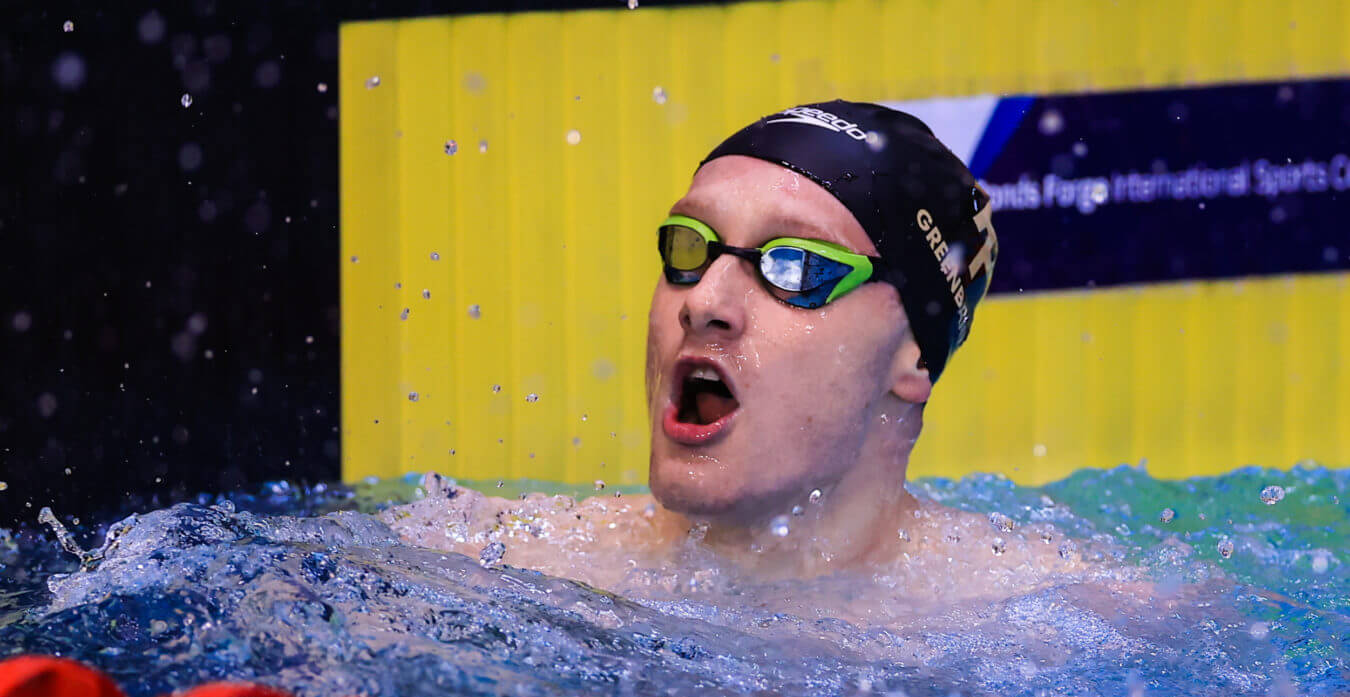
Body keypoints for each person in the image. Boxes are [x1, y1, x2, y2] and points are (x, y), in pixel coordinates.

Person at [384, 100, 1080, 607]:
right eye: (689, 246)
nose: (703, 299)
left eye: (798, 265)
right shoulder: (488, 561)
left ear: (917, 359)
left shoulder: (1047, 608)